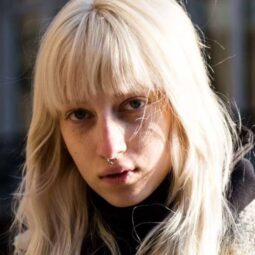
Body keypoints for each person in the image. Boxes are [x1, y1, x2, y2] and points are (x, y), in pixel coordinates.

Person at [12, 0, 255, 254]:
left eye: (134, 104)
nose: (110, 148)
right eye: (80, 114)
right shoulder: (37, 245)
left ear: (182, 105)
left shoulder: (246, 238)